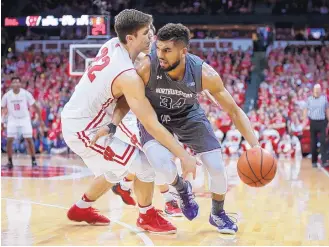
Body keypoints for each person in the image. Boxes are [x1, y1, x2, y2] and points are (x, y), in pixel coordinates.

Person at [93, 23, 260, 234]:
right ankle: (182, 189)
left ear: (183, 52)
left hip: (189, 116)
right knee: (161, 165)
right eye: (158, 48)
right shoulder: (146, 66)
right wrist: (113, 123)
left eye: (166, 50)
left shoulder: (203, 73)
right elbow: (127, 99)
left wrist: (255, 146)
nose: (159, 54)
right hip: (155, 118)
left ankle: (217, 214)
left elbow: (234, 111)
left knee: (217, 168)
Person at [61, 10, 197, 234]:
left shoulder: (113, 44)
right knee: (145, 166)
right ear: (131, 38)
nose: (152, 36)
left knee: (116, 171)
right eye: (146, 33)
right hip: (84, 130)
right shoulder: (127, 75)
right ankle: (147, 216)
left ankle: (81, 208)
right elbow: (150, 122)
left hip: (86, 118)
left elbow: (134, 67)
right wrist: (184, 155)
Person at [110, 24, 183, 217]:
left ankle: (124, 185)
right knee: (153, 155)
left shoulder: (153, 58)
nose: (150, 38)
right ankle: (169, 201)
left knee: (155, 156)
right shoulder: (126, 56)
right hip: (127, 114)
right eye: (147, 34)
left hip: (144, 112)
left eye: (151, 34)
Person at [1, 76, 45, 169]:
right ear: (11, 84)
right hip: (12, 118)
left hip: (24, 118)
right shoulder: (7, 95)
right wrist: (2, 120)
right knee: (9, 140)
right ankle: (10, 162)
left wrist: (40, 119)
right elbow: (2, 108)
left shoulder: (26, 94)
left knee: (29, 139)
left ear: (20, 84)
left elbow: (35, 106)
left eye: (17, 82)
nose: (16, 84)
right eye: (14, 82)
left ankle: (33, 161)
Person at [303, 84, 329, 167]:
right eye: (316, 90)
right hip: (313, 122)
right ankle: (314, 161)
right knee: (313, 142)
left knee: (323, 142)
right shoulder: (309, 99)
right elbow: (306, 110)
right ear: (313, 90)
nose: (317, 91)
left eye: (318, 90)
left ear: (320, 90)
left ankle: (324, 160)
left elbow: (327, 109)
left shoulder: (324, 99)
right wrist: (304, 120)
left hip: (322, 122)